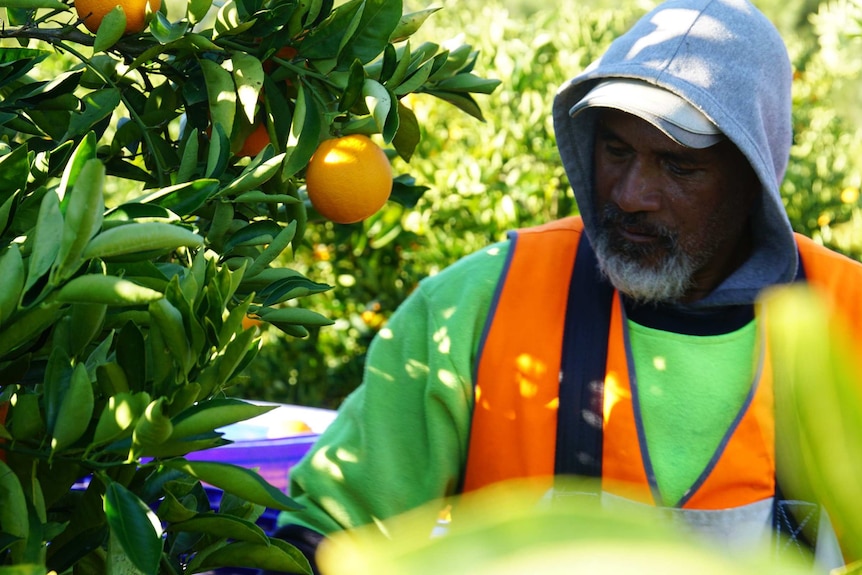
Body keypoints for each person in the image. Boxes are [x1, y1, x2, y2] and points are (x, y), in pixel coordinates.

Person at [274, 0, 862, 571]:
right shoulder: (475, 308)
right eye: (615, 149)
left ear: (754, 175)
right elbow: (324, 534)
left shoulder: (849, 322)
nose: (631, 195)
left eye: (679, 166)